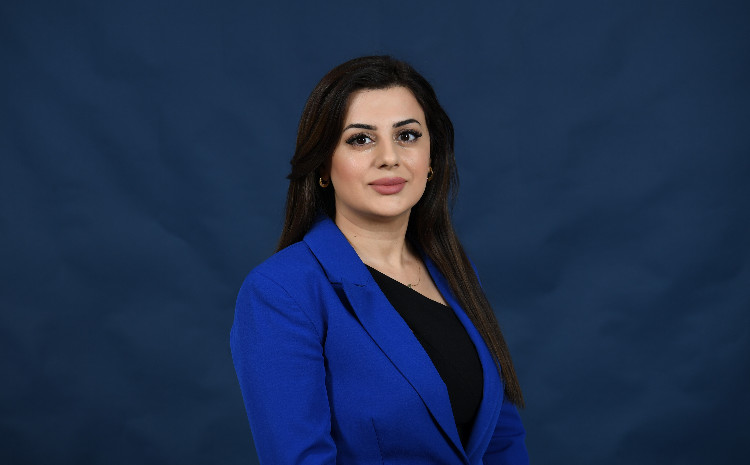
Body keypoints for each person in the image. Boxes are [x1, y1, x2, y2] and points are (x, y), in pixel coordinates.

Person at [230, 55, 528, 465]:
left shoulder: (456, 271)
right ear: (322, 164)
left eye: (407, 135)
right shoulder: (282, 292)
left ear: (432, 158)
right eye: (360, 139)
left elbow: (501, 437)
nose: (390, 157)